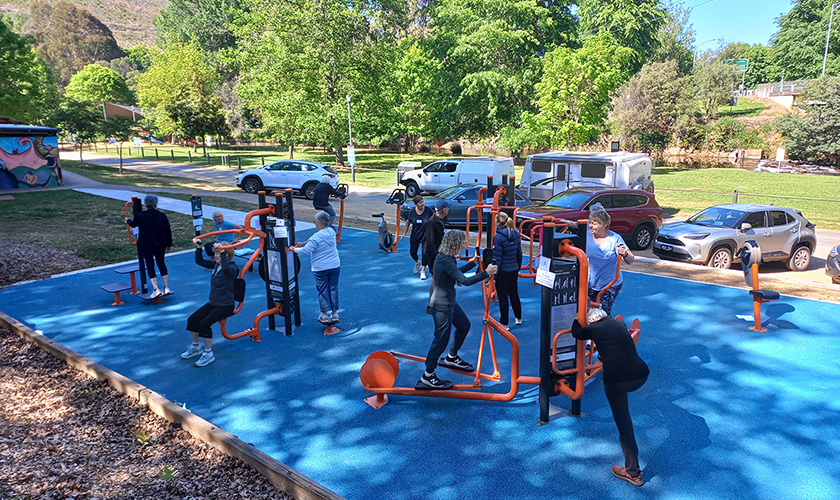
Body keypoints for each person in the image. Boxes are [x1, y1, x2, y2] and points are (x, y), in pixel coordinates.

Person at [572, 308, 649, 487]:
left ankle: (633, 472)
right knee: (624, 415)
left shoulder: (593, 328)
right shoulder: (619, 323)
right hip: (641, 374)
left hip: (617, 381)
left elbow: (577, 333)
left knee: (624, 423)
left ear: (591, 321)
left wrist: (577, 318)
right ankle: (632, 470)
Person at [418, 230, 498, 390]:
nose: (464, 245)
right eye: (463, 242)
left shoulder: (447, 258)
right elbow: (464, 281)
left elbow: (456, 273)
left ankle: (452, 357)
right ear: (455, 244)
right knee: (440, 340)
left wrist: (473, 263)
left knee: (464, 326)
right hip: (442, 305)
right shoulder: (445, 260)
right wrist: (486, 273)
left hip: (449, 301)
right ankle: (428, 376)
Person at [560, 204, 634, 316]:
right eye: (590, 222)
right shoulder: (586, 236)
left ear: (603, 226)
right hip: (590, 282)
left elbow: (630, 259)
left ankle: (607, 326)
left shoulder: (615, 239)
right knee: (585, 310)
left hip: (610, 284)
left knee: (601, 313)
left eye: (593, 224)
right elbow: (574, 248)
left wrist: (624, 254)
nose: (590, 225)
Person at [181, 240, 240, 367]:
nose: (215, 256)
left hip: (226, 306)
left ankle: (208, 354)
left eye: (218, 254)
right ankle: (196, 347)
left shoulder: (232, 268)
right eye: (216, 253)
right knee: (192, 319)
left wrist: (222, 252)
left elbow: (226, 269)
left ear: (226, 255)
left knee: (204, 324)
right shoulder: (216, 266)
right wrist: (199, 247)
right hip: (214, 303)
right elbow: (199, 261)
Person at [294, 211, 341, 324]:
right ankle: (335, 313)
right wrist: (303, 243)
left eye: (314, 221)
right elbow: (314, 242)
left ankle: (324, 315)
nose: (314, 222)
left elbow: (306, 251)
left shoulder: (316, 237)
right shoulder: (331, 231)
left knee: (323, 290)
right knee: (333, 288)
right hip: (334, 265)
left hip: (321, 268)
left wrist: (293, 249)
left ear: (319, 223)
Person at [125, 194, 173, 298]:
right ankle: (166, 287)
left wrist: (127, 220)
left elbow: (133, 224)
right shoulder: (162, 215)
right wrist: (169, 244)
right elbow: (168, 231)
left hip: (146, 244)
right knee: (161, 263)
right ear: (156, 204)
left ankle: (156, 289)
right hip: (160, 244)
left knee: (150, 265)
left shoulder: (141, 216)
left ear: (146, 204)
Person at [492, 211, 523, 327]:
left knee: (503, 296)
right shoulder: (515, 234)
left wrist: (494, 275)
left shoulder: (498, 237)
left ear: (497, 223)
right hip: (513, 268)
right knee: (514, 293)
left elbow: (497, 258)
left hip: (503, 270)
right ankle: (518, 317)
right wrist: (517, 267)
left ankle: (504, 322)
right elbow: (519, 253)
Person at [422, 200, 449, 313]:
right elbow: (430, 243)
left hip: (437, 253)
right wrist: (437, 258)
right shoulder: (432, 222)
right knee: (436, 279)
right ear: (443, 210)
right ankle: (431, 305)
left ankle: (436, 302)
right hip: (433, 255)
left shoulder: (440, 220)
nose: (448, 209)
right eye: (447, 208)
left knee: (439, 279)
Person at [406, 195, 434, 280]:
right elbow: (408, 222)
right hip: (415, 235)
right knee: (412, 252)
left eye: (423, 202)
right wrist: (404, 233)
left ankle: (423, 271)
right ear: (416, 204)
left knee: (425, 254)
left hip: (426, 236)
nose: (422, 204)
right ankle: (417, 262)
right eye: (420, 203)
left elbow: (434, 220)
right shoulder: (412, 212)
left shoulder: (428, 211)